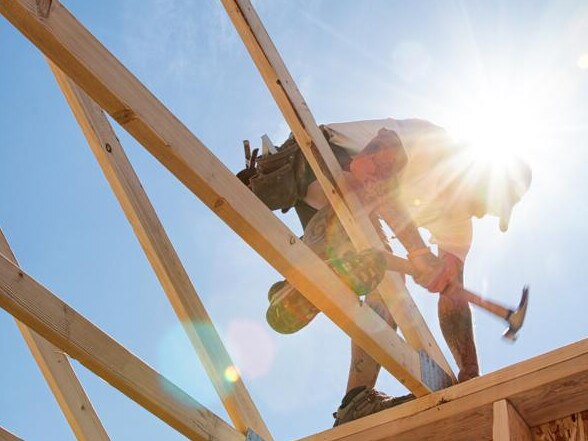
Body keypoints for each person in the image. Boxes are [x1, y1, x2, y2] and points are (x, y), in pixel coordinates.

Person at [238, 117, 532, 426]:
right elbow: (368, 170)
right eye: (488, 202)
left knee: (387, 280)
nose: (482, 212)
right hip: (318, 161)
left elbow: (453, 300)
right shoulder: (433, 144)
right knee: (362, 204)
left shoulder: (458, 225)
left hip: (334, 208)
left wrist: (469, 375)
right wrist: (418, 252)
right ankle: (306, 274)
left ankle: (355, 399)